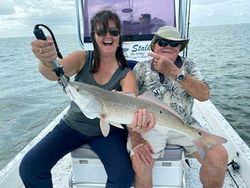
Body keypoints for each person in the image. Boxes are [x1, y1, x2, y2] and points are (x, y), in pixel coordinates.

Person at [19, 10, 155, 188]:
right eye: (101, 32)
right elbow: (54, 74)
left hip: (106, 132)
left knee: (123, 177)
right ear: (93, 36)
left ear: (119, 37)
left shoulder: (126, 74)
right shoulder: (82, 58)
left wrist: (137, 138)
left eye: (113, 32)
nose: (108, 36)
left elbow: (132, 107)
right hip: (73, 125)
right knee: (30, 167)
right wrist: (46, 60)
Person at [128, 26, 228, 188]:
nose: (167, 46)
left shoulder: (189, 66)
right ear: (154, 45)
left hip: (185, 123)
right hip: (151, 126)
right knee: (140, 161)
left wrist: (175, 72)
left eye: (174, 44)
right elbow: (130, 104)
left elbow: (204, 95)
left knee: (219, 155)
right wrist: (136, 138)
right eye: (162, 42)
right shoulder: (141, 68)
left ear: (180, 47)